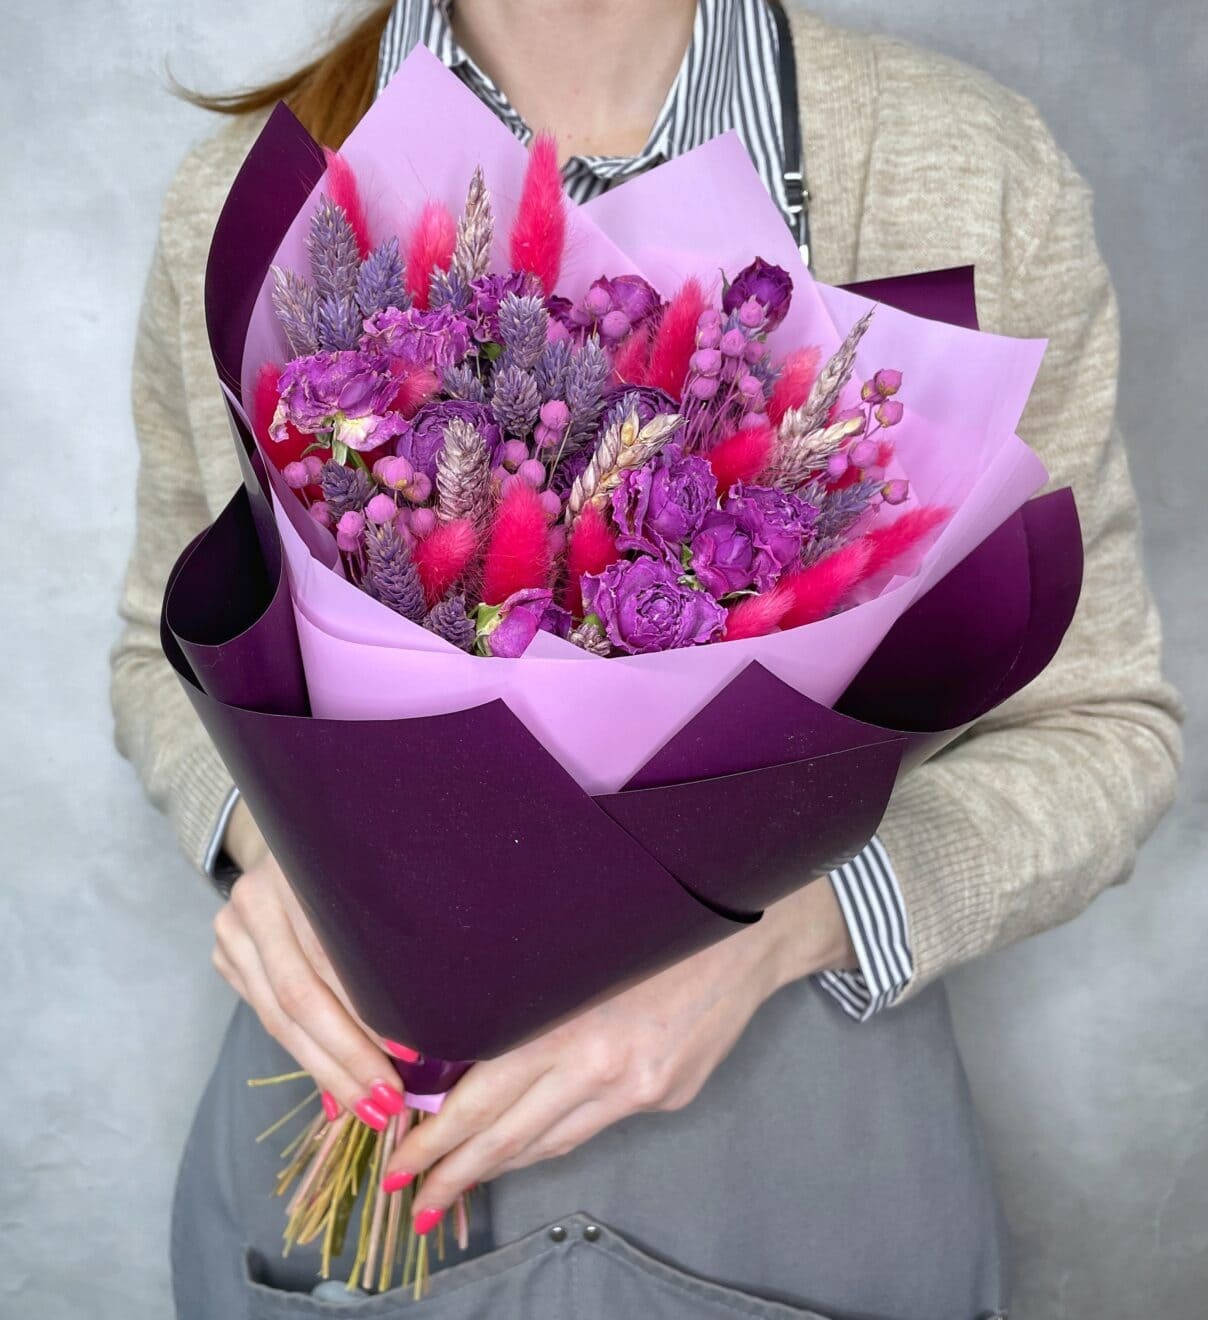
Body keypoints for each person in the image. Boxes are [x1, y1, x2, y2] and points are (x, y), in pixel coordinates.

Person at [110, 2, 1183, 1316]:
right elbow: (154, 653)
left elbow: (1104, 727)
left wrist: (776, 933)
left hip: (797, 1178)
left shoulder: (970, 168)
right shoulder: (248, 197)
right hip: (348, 1155)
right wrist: (275, 852)